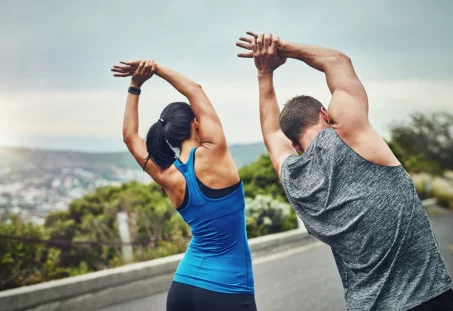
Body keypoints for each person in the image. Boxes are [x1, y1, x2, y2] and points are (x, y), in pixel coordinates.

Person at [237, 32, 453, 310]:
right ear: (325, 115)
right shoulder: (351, 136)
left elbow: (270, 132)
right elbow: (338, 62)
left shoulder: (292, 178)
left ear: (293, 144)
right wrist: (281, 49)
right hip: (427, 300)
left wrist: (264, 74)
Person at [111, 60, 256, 311]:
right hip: (227, 290)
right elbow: (195, 90)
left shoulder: (168, 175)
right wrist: (154, 68)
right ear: (196, 123)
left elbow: (130, 137)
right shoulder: (214, 153)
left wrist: (136, 85)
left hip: (182, 290)